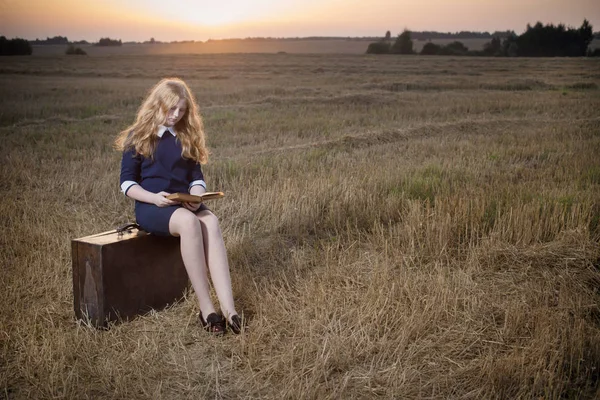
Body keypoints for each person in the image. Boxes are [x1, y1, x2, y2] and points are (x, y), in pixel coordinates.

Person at [115, 77, 242, 335]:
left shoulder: (186, 136)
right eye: (171, 109)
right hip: (152, 206)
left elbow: (196, 178)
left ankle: (230, 310)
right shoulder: (138, 136)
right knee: (188, 222)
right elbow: (127, 184)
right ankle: (207, 309)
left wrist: (196, 197)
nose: (176, 115)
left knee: (211, 221)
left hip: (183, 204)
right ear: (157, 104)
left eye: (182, 110)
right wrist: (154, 198)